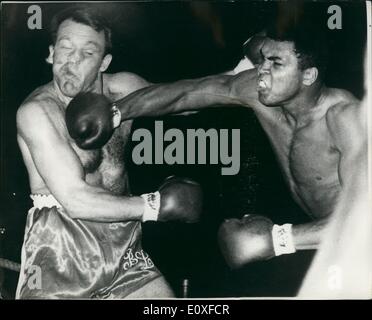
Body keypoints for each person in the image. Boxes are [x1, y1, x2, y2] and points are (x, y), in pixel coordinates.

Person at [66, 21, 366, 269]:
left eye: (275, 64)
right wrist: (116, 111)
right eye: (262, 59)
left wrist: (277, 240)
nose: (261, 71)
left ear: (308, 76)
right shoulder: (259, 91)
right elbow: (187, 93)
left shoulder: (345, 119)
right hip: (326, 238)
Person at [15, 6, 202, 299]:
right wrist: (156, 206)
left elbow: (183, 100)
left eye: (87, 53)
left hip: (125, 242)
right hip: (61, 249)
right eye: (64, 49)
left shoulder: (123, 89)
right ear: (51, 53)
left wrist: (239, 76)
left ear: (104, 62)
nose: (71, 62)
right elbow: (76, 199)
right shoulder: (37, 111)